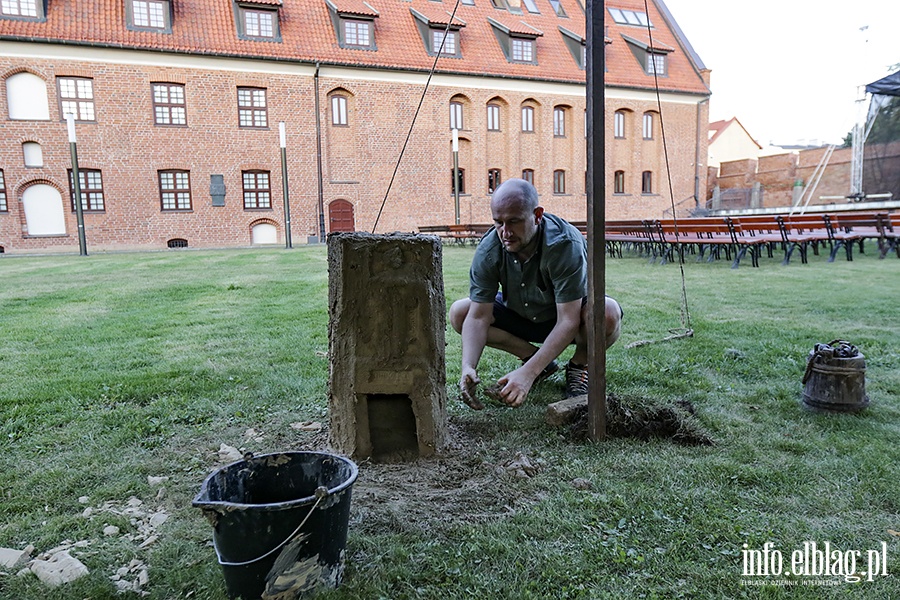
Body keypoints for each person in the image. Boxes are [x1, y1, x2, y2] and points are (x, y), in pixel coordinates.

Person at [449, 178, 623, 409]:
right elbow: (479, 316)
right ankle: (535, 359)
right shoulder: (490, 248)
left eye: (514, 221)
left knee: (607, 313)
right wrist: (468, 366)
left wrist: (527, 375)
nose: (505, 232)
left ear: (537, 215)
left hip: (566, 318)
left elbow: (569, 320)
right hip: (520, 314)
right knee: (461, 312)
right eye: (498, 222)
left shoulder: (564, 244)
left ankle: (580, 366)